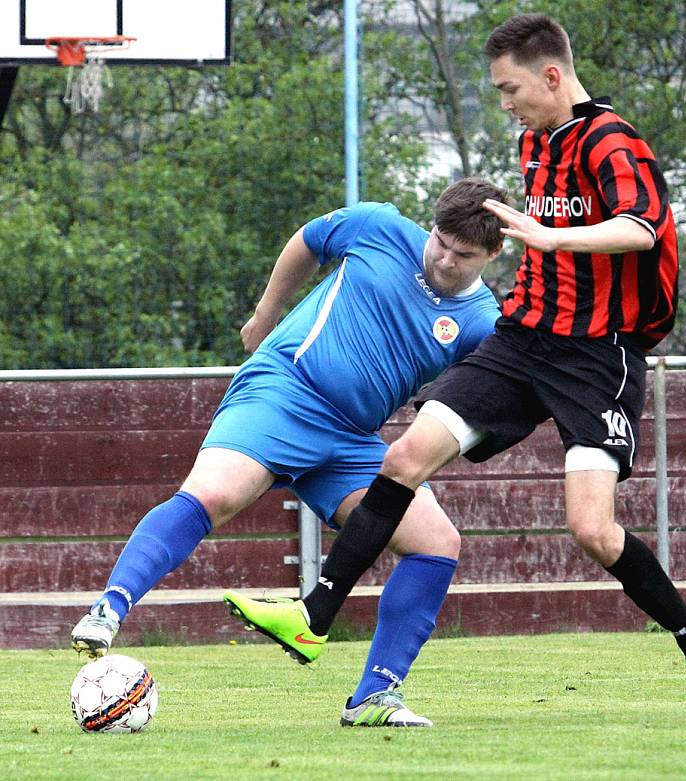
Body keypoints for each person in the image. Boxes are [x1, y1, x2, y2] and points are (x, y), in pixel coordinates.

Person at [243, 14, 686, 720]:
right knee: (404, 456)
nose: (505, 102)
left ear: (550, 74)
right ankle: (315, 614)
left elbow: (641, 226)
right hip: (521, 340)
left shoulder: (614, 141)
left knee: (593, 531)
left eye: (510, 88)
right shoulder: (533, 146)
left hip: (596, 357)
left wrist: (549, 233)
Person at [70, 176, 509, 728]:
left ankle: (374, 697)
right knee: (215, 493)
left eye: (462, 254)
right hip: (285, 390)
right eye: (440, 241)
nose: (444, 259)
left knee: (436, 544)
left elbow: (479, 394)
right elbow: (307, 240)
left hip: (351, 440)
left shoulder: (482, 324)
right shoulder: (378, 226)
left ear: (495, 252)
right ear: (432, 224)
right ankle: (108, 608)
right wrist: (265, 313)